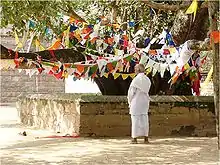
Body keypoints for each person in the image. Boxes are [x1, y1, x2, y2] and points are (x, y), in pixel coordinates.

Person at [127, 64, 151, 144]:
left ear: (138, 70)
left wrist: (129, 102)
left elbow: (131, 93)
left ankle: (134, 138)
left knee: (135, 119)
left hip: (136, 101)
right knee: (144, 119)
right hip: (144, 101)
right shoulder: (147, 79)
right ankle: (146, 138)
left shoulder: (136, 80)